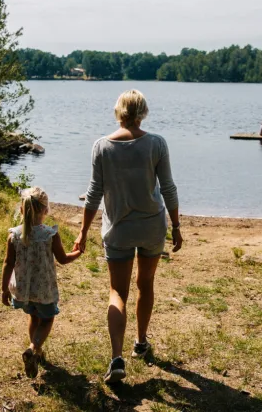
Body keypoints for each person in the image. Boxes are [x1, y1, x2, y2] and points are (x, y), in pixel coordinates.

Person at [76, 89, 182, 384]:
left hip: (118, 229)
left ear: (118, 112)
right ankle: (142, 341)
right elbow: (169, 188)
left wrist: (82, 232)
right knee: (145, 283)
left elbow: (94, 194)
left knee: (117, 292)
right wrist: (176, 225)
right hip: (151, 227)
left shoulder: (101, 146)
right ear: (142, 112)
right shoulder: (157, 144)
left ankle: (116, 358)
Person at [0, 187, 82, 379]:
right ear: (45, 211)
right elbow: (62, 259)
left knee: (33, 316)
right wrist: (78, 252)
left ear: (22, 210)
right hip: (43, 290)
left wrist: (4, 289)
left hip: (23, 290)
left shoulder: (14, 235)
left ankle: (36, 353)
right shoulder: (49, 234)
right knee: (47, 319)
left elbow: (8, 263)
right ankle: (34, 347)